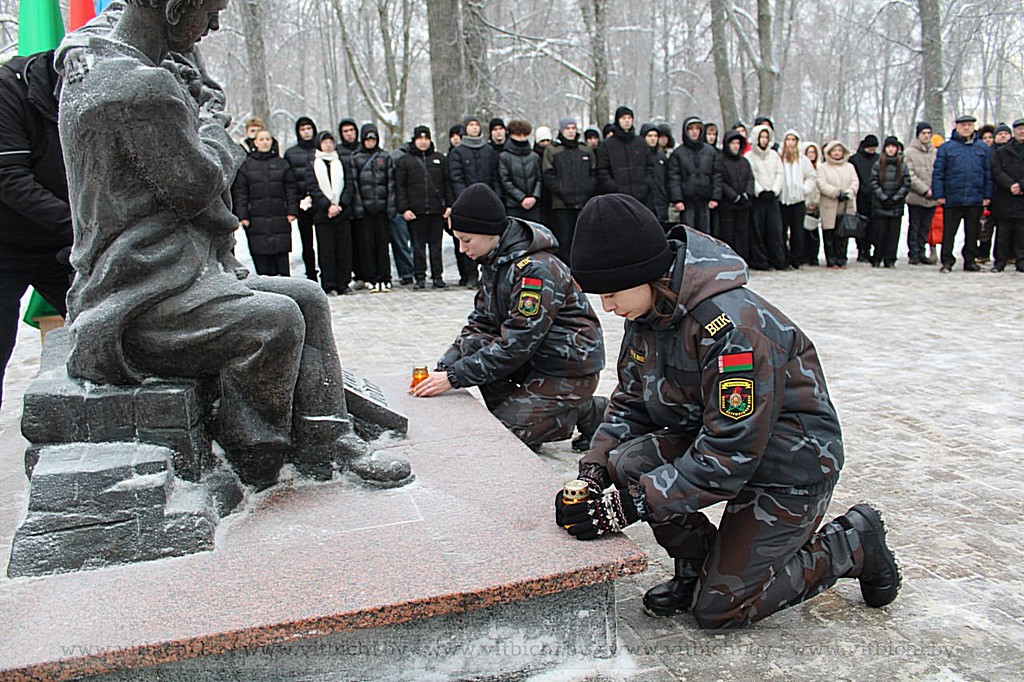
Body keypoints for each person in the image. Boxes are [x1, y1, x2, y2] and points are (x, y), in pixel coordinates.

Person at [55, 0, 409, 490]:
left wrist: (193, 84)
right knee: (276, 321)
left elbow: (115, 17)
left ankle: (330, 438)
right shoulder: (141, 88)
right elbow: (199, 188)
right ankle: (251, 460)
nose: (215, 25)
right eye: (211, 11)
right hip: (140, 295)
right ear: (176, 9)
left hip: (170, 273)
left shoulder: (93, 57)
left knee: (307, 295)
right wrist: (214, 127)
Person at [557, 194, 900, 630]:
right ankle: (696, 568)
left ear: (644, 273)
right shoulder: (648, 313)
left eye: (611, 292)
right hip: (719, 448)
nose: (607, 307)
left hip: (788, 467)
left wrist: (631, 505)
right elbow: (631, 401)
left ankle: (852, 543)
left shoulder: (732, 329)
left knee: (720, 610)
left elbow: (729, 454)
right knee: (628, 461)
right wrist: (592, 473)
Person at [412, 183, 607, 452]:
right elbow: (480, 322)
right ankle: (533, 407)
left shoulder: (534, 271)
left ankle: (585, 410)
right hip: (536, 359)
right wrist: (446, 366)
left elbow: (517, 343)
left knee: (504, 436)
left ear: (489, 232)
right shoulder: (495, 261)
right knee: (474, 346)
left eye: (466, 240)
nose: (460, 248)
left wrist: (455, 377)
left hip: (567, 367)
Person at [0, 49, 75, 409]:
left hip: (61, 244)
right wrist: (80, 226)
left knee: (107, 328)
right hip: (6, 244)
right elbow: (11, 179)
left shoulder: (100, 93)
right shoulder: (7, 91)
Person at [231, 128, 298, 276]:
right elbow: (241, 192)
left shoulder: (282, 164)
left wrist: (292, 210)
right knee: (262, 261)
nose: (265, 142)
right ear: (255, 142)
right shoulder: (246, 165)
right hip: (256, 218)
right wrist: (243, 215)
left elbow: (291, 189)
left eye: (268, 139)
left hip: (280, 216)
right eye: (261, 139)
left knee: (282, 259)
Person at [932, 115, 992, 273]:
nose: (966, 128)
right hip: (953, 197)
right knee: (949, 232)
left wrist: (987, 195)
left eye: (969, 125)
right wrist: (939, 194)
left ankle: (970, 260)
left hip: (975, 197)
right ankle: (947, 261)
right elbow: (938, 173)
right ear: (956, 127)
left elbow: (988, 173)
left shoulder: (982, 148)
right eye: (963, 125)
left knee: (972, 232)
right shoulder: (947, 148)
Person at [395, 126, 450, 289]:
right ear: (415, 140)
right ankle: (419, 277)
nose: (424, 142)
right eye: (420, 138)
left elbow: (447, 183)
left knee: (436, 246)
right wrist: (404, 208)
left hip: (436, 210)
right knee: (417, 247)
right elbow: (400, 187)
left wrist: (448, 205)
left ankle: (437, 276)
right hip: (415, 212)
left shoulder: (439, 159)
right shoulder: (405, 161)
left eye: (427, 138)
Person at [448, 115, 499, 288]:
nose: (474, 128)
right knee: (467, 242)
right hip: (466, 203)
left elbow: (494, 176)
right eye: (471, 125)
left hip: (488, 202)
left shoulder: (488, 151)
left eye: (477, 125)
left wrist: (494, 198)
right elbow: (456, 178)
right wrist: (465, 200)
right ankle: (469, 275)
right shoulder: (458, 152)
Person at [543, 116, 596, 264]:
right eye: (567, 128)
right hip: (561, 204)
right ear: (561, 130)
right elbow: (548, 175)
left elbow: (593, 173)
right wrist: (562, 191)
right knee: (564, 239)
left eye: (573, 128)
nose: (571, 132)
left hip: (583, 202)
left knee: (583, 239)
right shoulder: (553, 150)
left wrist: (587, 190)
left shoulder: (585, 150)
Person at [309, 131, 356, 295]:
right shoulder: (314, 164)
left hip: (342, 213)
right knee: (326, 250)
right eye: (325, 142)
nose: (328, 145)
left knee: (344, 249)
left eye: (330, 142)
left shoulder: (341, 162)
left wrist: (340, 204)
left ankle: (344, 283)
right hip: (323, 215)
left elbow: (350, 185)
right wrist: (327, 206)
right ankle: (329, 284)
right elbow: (313, 188)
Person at [352, 123, 396, 292]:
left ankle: (385, 276)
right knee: (367, 246)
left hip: (382, 208)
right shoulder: (356, 158)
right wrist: (359, 207)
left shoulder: (385, 157)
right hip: (365, 208)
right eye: (367, 139)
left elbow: (391, 183)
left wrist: (391, 206)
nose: (370, 141)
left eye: (373, 138)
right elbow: (355, 185)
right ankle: (371, 277)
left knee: (383, 245)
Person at [284, 116, 320, 281]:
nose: (306, 132)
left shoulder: (320, 150)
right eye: (303, 129)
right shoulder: (291, 154)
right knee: (307, 242)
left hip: (321, 201)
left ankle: (328, 274)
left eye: (308, 128)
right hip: (301, 202)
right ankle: (311, 273)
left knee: (324, 241)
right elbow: (289, 182)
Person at [667, 116, 717, 234]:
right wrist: (677, 199)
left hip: (705, 200)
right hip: (686, 201)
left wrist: (715, 197)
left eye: (697, 129)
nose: (694, 132)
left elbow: (716, 175)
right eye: (691, 129)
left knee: (705, 233)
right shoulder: (678, 153)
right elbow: (674, 177)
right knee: (688, 232)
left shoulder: (710, 152)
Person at [746, 124, 787, 270]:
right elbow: (751, 176)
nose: (763, 140)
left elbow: (779, 173)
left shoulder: (774, 155)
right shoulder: (749, 156)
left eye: (766, 137)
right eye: (761, 137)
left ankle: (777, 259)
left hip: (772, 198)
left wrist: (774, 190)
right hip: (758, 199)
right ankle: (761, 261)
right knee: (758, 231)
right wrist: (760, 191)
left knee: (775, 230)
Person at [596, 106, 653, 202]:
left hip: (640, 196)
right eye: (623, 118)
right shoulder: (607, 145)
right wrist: (612, 187)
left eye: (629, 118)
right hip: (617, 197)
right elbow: (602, 170)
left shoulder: (641, 143)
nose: (627, 121)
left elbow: (650, 166)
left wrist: (646, 184)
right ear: (618, 120)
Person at [869, 137, 911, 268]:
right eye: (888, 147)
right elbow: (873, 182)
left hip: (896, 205)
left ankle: (890, 258)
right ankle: (877, 257)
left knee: (893, 235)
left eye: (893, 147)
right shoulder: (878, 164)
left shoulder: (902, 165)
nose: (891, 149)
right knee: (879, 233)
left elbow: (906, 183)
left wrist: (896, 198)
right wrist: (883, 197)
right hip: (880, 205)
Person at [817, 140, 859, 268]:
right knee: (829, 233)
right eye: (834, 150)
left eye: (839, 150)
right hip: (829, 204)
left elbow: (855, 182)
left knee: (843, 233)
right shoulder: (823, 167)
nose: (837, 153)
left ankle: (842, 258)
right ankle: (831, 258)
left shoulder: (849, 167)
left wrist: (848, 193)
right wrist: (836, 193)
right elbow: (822, 184)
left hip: (845, 204)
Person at [989, 118, 1024, 272]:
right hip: (1005, 196)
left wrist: (1021, 186)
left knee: (1022, 233)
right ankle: (1000, 262)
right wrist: (1010, 185)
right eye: (1019, 129)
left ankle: (1021, 261)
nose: (1022, 132)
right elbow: (996, 171)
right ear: (1013, 132)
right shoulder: (1002, 151)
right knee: (1002, 232)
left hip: (1022, 196)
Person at [714, 130, 754, 262]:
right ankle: (729, 260)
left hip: (744, 204)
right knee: (728, 233)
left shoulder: (744, 162)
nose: (735, 146)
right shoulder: (720, 161)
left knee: (743, 233)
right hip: (728, 205)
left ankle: (743, 259)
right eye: (733, 143)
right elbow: (721, 181)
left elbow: (750, 179)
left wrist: (746, 194)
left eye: (738, 143)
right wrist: (733, 196)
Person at [778, 130, 816, 268]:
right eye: (788, 140)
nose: (791, 143)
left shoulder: (803, 160)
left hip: (798, 200)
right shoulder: (779, 158)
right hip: (782, 200)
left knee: (798, 231)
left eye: (793, 140)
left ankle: (796, 258)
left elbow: (812, 177)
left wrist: (804, 189)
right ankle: (784, 257)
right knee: (781, 231)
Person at [904, 122, 938, 265]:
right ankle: (914, 253)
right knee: (915, 225)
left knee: (926, 226)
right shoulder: (909, 152)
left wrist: (935, 190)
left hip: (933, 196)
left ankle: (922, 250)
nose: (926, 136)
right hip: (916, 196)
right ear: (918, 135)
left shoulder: (935, 152)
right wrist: (924, 190)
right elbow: (910, 175)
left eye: (929, 133)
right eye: (923, 133)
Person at [498, 119, 542, 221]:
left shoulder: (534, 157)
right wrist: (521, 198)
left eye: (524, 135)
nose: (521, 138)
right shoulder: (504, 156)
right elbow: (505, 180)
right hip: (514, 205)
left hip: (534, 205)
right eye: (518, 135)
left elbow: (539, 178)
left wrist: (534, 197)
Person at [850, 135, 879, 263]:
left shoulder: (878, 159)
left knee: (874, 225)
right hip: (860, 196)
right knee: (861, 225)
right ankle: (862, 250)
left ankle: (872, 248)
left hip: (876, 197)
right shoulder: (855, 160)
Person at [641, 123, 671, 226]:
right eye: (650, 136)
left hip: (661, 200)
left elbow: (667, 178)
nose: (653, 139)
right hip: (645, 200)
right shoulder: (639, 156)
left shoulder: (661, 156)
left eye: (655, 136)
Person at [802, 141, 823, 265]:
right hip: (804, 203)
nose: (811, 154)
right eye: (809, 152)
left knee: (814, 232)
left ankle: (814, 256)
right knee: (804, 232)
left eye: (813, 152)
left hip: (816, 204)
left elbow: (820, 187)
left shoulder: (820, 168)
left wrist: (816, 202)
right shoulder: (802, 167)